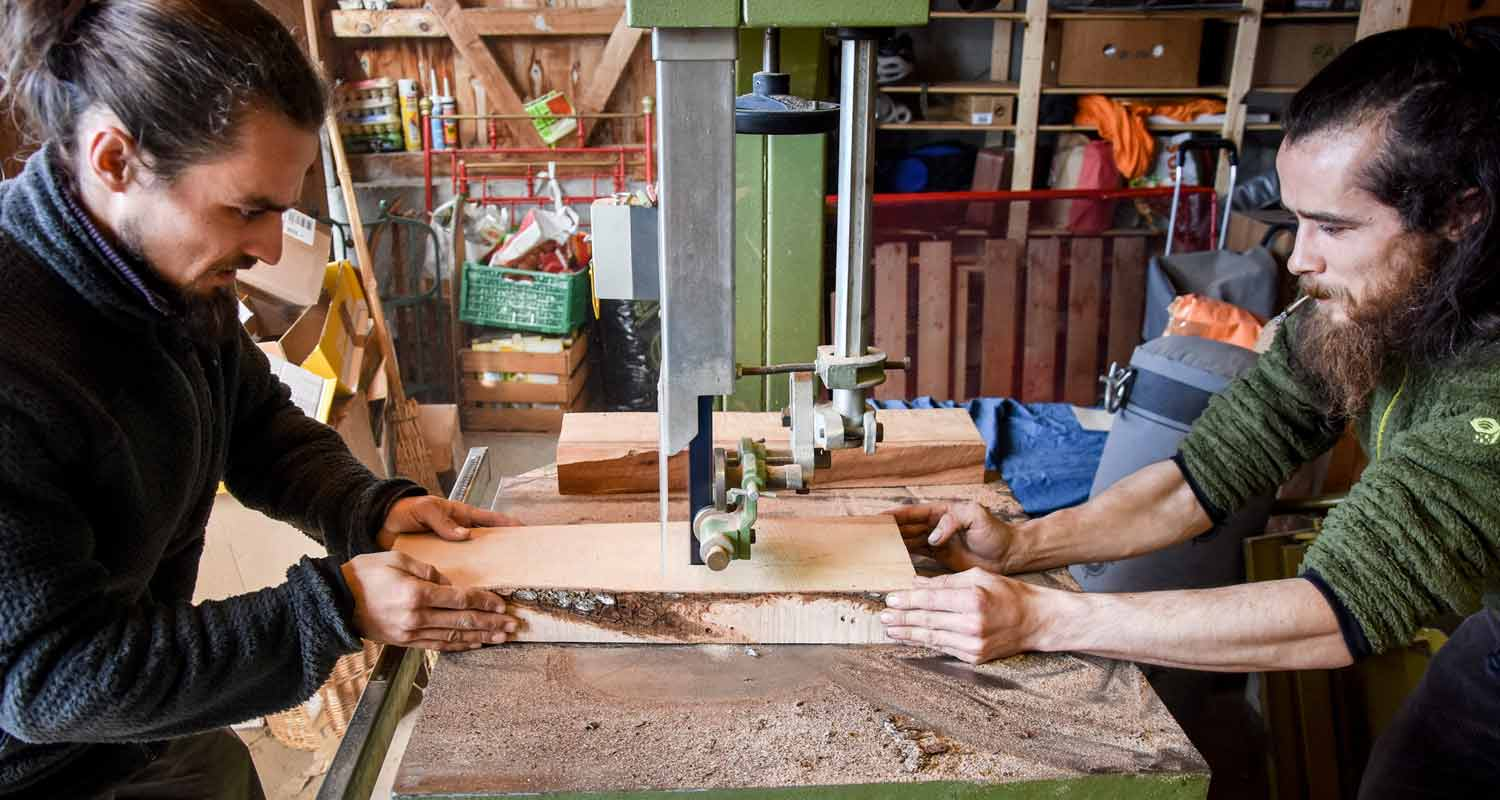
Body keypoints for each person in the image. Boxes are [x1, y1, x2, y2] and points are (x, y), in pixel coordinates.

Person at [879, 21, 1500, 800]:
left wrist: (1041, 620)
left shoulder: (1487, 401)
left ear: (1460, 214)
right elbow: (1197, 480)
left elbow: (1332, 611)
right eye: (1296, 220)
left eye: (1334, 228)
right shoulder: (1361, 314)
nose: (1299, 259)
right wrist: (1022, 547)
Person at [0, 1, 520, 797]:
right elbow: (50, 679)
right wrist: (334, 609)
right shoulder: (18, 357)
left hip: (137, 734)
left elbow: (254, 424)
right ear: (114, 161)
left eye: (283, 207)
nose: (272, 249)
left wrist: (366, 506)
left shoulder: (164, 273)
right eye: (248, 209)